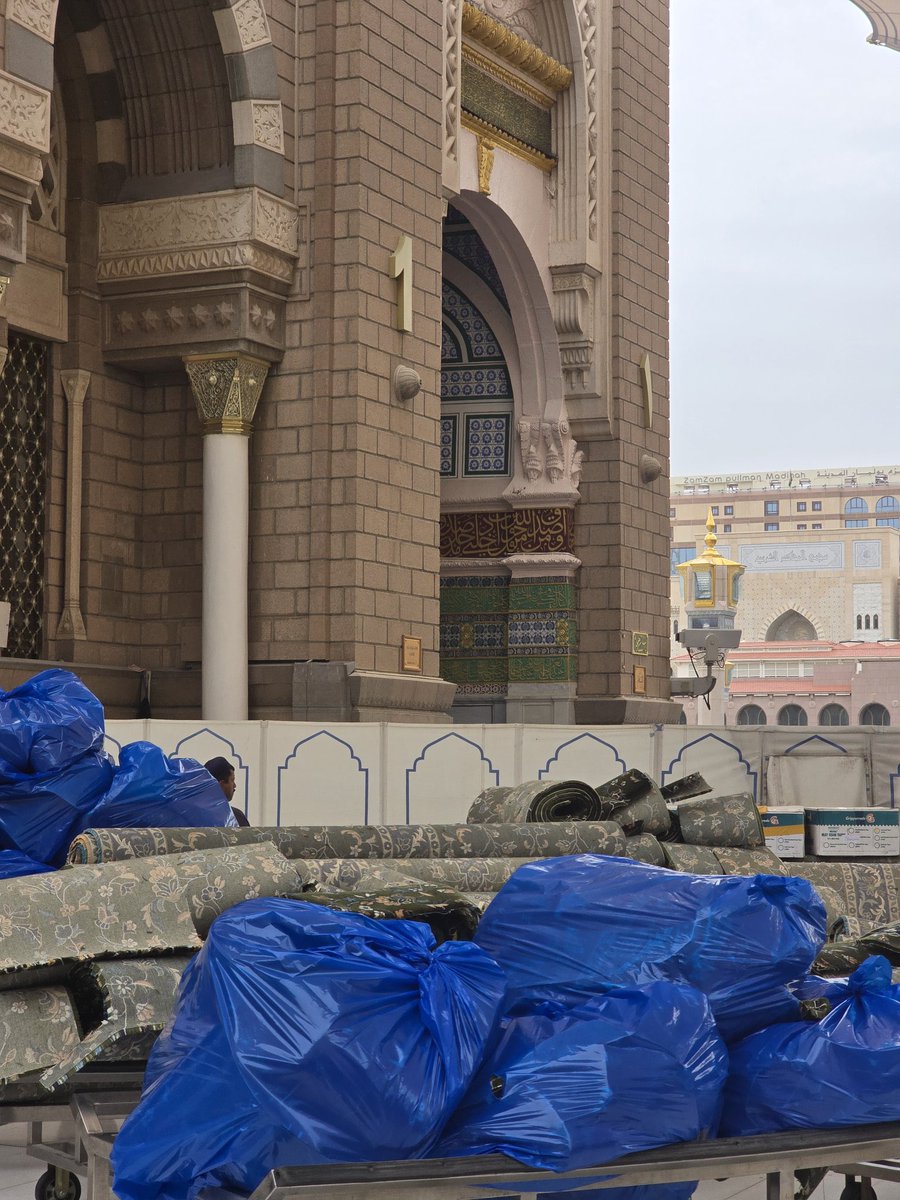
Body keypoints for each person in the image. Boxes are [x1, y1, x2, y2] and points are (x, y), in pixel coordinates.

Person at [204, 756, 250, 827]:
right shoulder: (236, 817)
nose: (234, 785)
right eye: (232, 780)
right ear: (221, 785)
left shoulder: (191, 815)